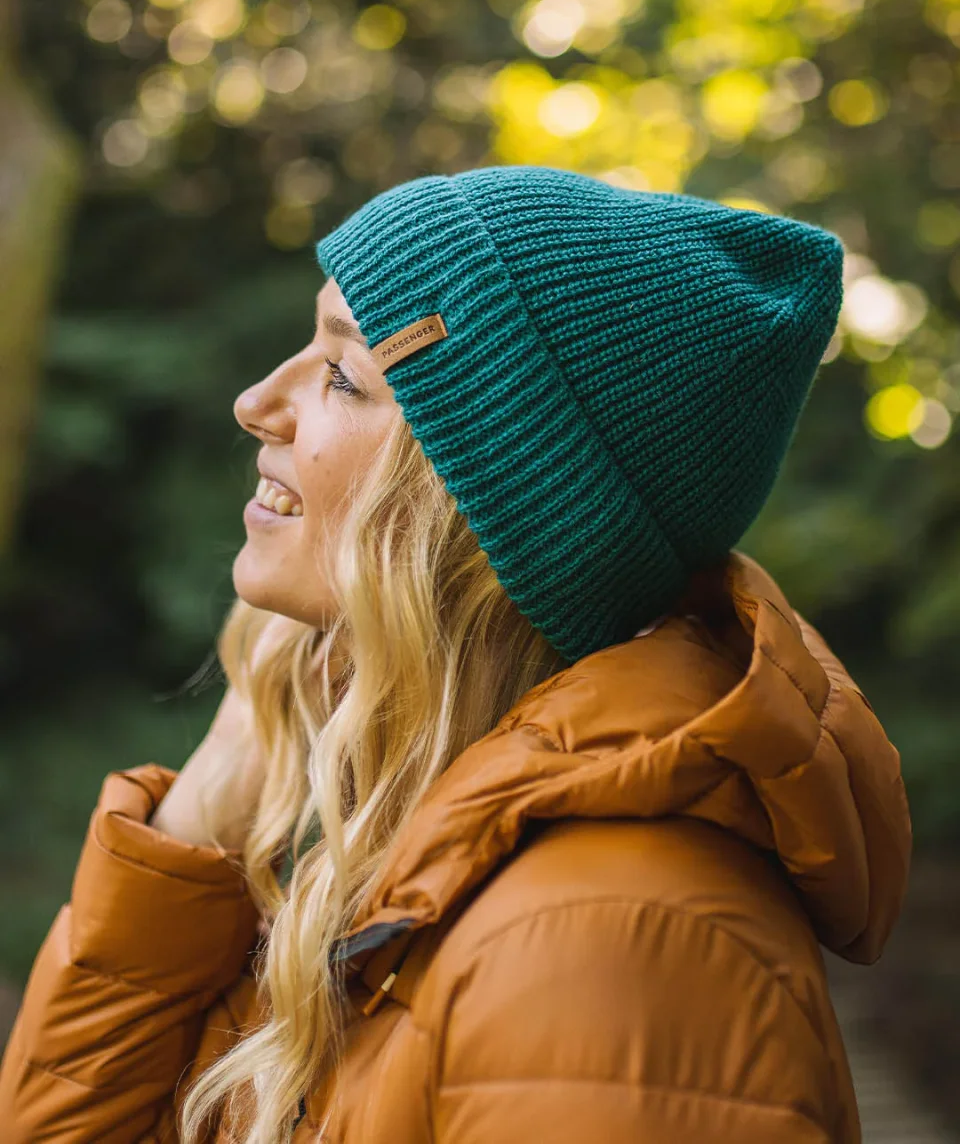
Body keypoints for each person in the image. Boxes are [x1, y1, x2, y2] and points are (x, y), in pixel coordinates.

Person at [0, 164, 911, 1143]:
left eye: (344, 374)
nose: (256, 401)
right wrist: (199, 817)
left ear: (489, 511)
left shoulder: (607, 947)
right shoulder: (397, 862)